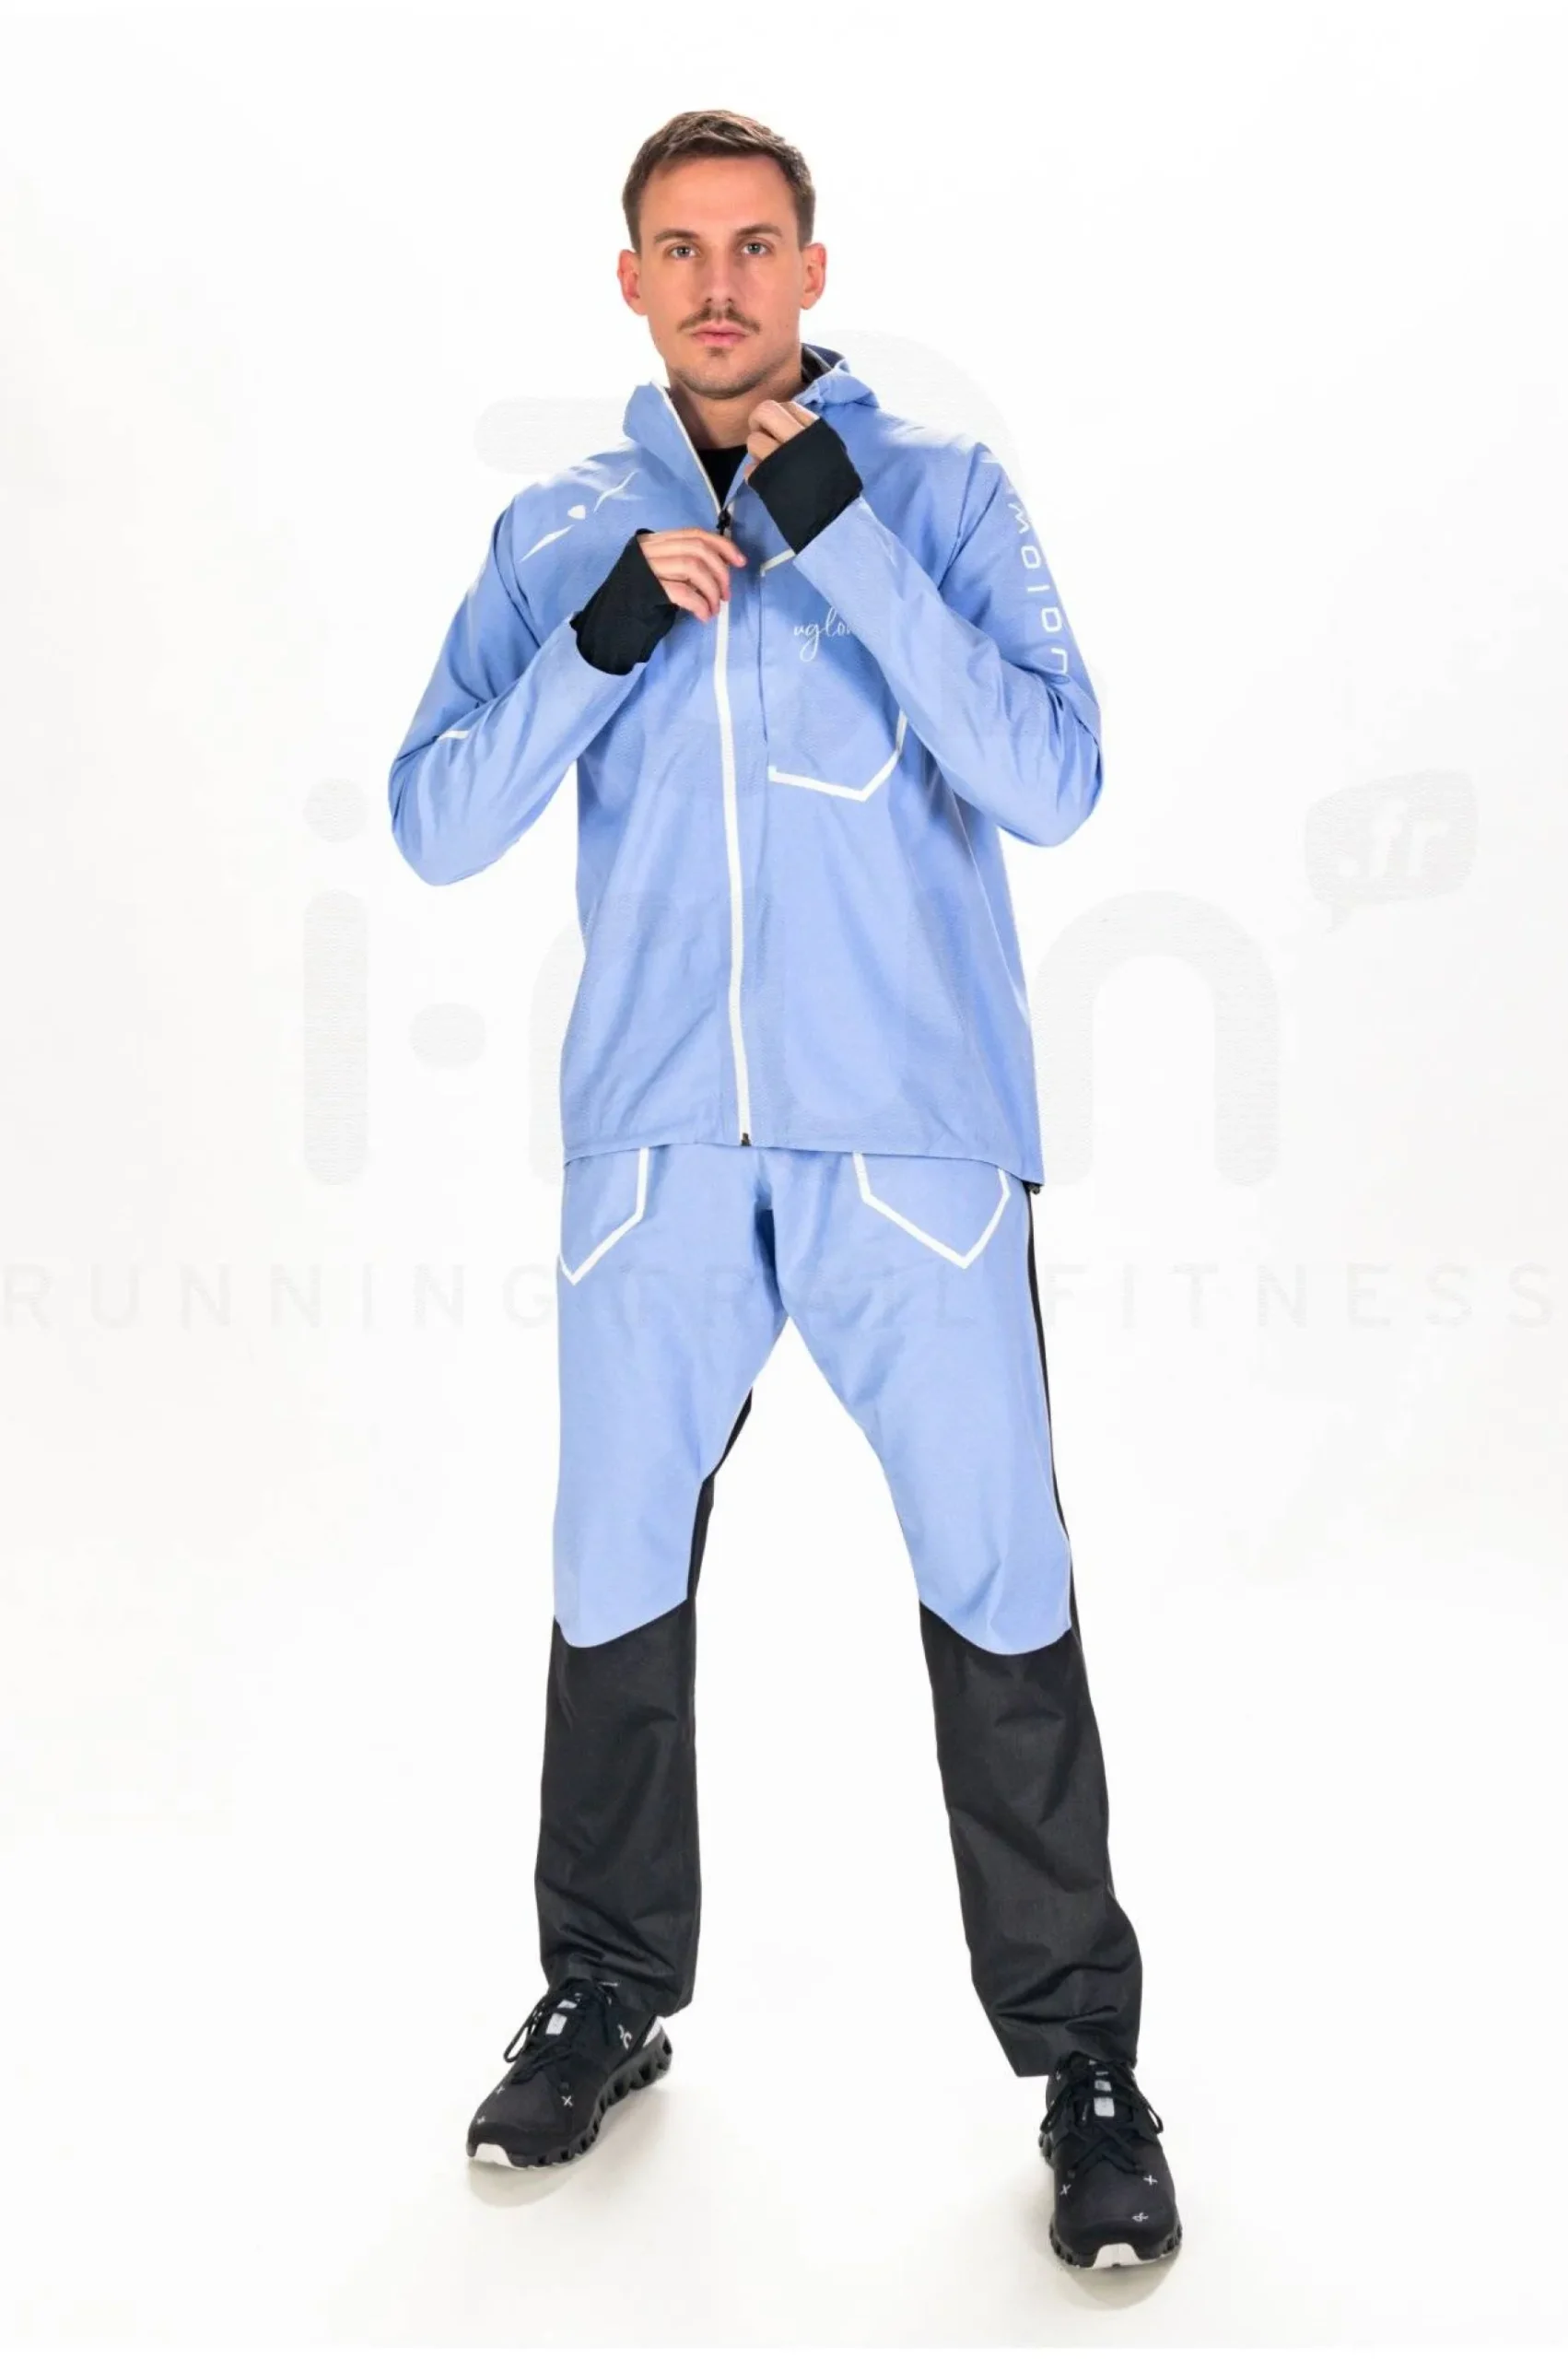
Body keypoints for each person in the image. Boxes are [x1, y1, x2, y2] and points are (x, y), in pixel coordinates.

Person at [387, 107, 1182, 2272]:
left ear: (812, 271)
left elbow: (1049, 772)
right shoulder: (562, 526)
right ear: (630, 281)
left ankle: (1082, 2067)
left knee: (996, 1576)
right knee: (609, 1571)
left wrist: (837, 533)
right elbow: (434, 819)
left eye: (755, 246)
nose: (720, 282)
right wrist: (597, 639)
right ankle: (601, 1994)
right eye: (681, 248)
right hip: (653, 1147)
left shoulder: (941, 492)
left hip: (911, 1147)